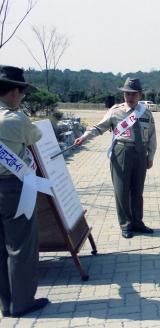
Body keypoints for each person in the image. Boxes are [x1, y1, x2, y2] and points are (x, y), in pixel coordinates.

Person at [75, 77, 157, 239]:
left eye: (134, 94)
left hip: (140, 154)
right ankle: (125, 224)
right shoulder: (115, 111)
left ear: (140, 95)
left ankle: (137, 223)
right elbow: (99, 128)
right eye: (127, 94)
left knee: (137, 191)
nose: (130, 97)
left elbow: (152, 136)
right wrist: (84, 137)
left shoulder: (146, 113)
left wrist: (150, 156)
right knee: (122, 190)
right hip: (121, 152)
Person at [0, 65, 50, 317]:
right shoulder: (15, 118)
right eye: (21, 93)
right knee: (20, 246)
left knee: (1, 248)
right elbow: (36, 135)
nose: (21, 98)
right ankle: (22, 303)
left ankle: (6, 303)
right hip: (13, 186)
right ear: (14, 92)